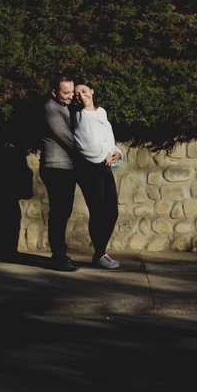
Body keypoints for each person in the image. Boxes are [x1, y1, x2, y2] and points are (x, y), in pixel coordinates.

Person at [70, 77, 123, 269]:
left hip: (105, 166)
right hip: (89, 168)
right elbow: (82, 143)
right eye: (77, 94)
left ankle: (100, 253)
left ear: (92, 91)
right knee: (98, 211)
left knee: (112, 212)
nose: (81, 96)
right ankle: (100, 255)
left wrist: (116, 151)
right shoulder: (79, 115)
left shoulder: (101, 112)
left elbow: (107, 138)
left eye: (84, 91)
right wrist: (104, 154)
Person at [39, 74, 82, 270]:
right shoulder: (50, 109)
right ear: (54, 92)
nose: (71, 96)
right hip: (56, 169)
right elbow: (68, 139)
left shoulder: (65, 106)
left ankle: (61, 254)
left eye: (72, 91)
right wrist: (93, 152)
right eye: (66, 93)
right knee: (58, 213)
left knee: (63, 212)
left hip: (65, 168)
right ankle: (58, 257)